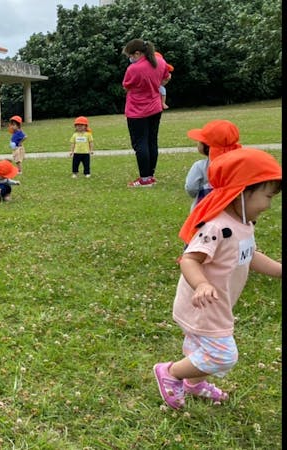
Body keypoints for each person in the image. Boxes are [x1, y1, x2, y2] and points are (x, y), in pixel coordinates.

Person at [154, 148, 281, 411]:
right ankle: (171, 372)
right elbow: (190, 259)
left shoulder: (245, 224)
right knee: (223, 354)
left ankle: (194, 383)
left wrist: (279, 269)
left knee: (204, 350)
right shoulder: (216, 227)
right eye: (267, 196)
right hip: (202, 305)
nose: (269, 205)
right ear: (243, 191)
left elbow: (249, 255)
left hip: (218, 304)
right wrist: (201, 283)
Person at [122, 39, 171, 187]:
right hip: (155, 107)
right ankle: (150, 175)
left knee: (140, 144)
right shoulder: (160, 62)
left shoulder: (134, 69)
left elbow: (126, 86)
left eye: (130, 56)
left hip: (137, 111)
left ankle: (144, 179)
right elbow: (166, 77)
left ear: (137, 53)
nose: (130, 59)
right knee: (151, 141)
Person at [184, 120, 243, 211]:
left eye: (200, 141)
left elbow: (191, 188)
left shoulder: (199, 166)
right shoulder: (238, 164)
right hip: (231, 211)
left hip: (203, 211)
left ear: (207, 147)